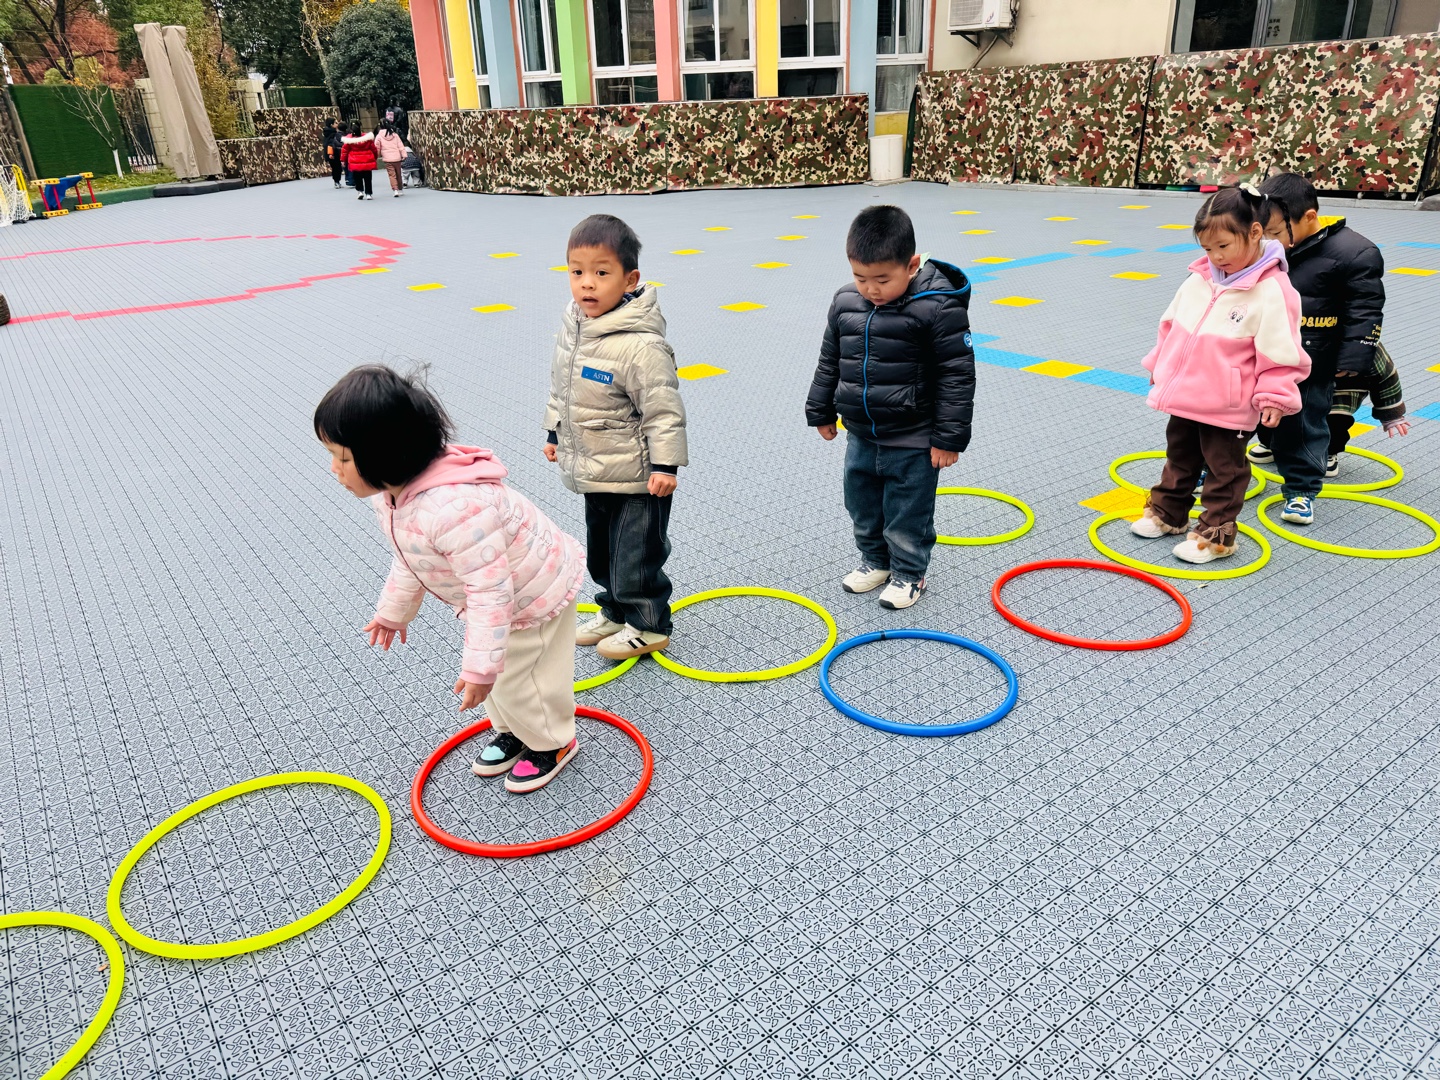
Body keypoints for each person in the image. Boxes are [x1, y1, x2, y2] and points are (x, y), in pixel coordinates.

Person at [316, 365, 587, 793]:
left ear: (386, 454)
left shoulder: (453, 509)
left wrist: (480, 666)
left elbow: (491, 592)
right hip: (498, 594)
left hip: (532, 593)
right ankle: (516, 732)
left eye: (344, 458)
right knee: (497, 677)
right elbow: (411, 558)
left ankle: (553, 742)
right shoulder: (393, 496)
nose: (334, 468)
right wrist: (393, 611)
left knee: (521, 677)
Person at [804, 205, 975, 610]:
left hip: (914, 436)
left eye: (882, 279)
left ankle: (910, 573)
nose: (871, 290)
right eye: (860, 277)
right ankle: (876, 561)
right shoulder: (845, 301)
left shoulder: (938, 307)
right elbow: (830, 360)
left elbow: (956, 375)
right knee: (861, 502)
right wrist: (820, 410)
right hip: (861, 432)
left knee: (907, 510)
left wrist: (948, 438)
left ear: (912, 265)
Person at [1131, 186, 1311, 564]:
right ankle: (1168, 513)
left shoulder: (1272, 290)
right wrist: (1160, 366)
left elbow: (1281, 352)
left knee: (1224, 469)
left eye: (1224, 246)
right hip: (1186, 394)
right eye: (1207, 248)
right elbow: (1171, 327)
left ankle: (1215, 535)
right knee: (1179, 456)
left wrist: (1275, 396)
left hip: (1230, 404)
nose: (1215, 257)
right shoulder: (1199, 278)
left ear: (1255, 232)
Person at [544, 214, 687, 661]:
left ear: (630, 280)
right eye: (577, 271)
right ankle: (614, 611)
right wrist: (554, 432)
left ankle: (648, 624)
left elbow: (663, 409)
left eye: (601, 273)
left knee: (635, 556)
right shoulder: (574, 327)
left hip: (640, 478)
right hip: (596, 468)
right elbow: (563, 389)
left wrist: (665, 465)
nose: (587, 283)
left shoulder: (641, 345)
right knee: (602, 552)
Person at [1253, 172, 1390, 506]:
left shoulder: (1356, 252)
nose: (1269, 241)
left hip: (1317, 356)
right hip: (1272, 351)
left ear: (1310, 217)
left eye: (1275, 232)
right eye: (1265, 233)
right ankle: (1266, 445)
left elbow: (1365, 310)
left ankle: (1304, 485)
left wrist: (1352, 359)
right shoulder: (1273, 248)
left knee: (1308, 421)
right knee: (1258, 409)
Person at [1329, 342, 1409, 455]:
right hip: (1308, 384)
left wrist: (1391, 415)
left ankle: (1328, 452)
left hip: (1344, 390)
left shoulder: (1366, 345)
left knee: (1335, 422)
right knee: (1306, 419)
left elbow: (1385, 378)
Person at [340, 121, 376, 200]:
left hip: (354, 161)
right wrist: (374, 157)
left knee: (357, 178)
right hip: (367, 160)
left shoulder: (349, 140)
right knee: (368, 178)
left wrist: (343, 160)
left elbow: (344, 150)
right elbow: (373, 148)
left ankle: (360, 191)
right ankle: (368, 193)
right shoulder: (367, 138)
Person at [374, 120, 406, 197]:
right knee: (398, 174)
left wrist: (377, 156)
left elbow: (377, 147)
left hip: (387, 159)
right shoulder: (395, 135)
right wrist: (404, 155)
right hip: (397, 158)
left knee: (392, 175)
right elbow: (400, 145)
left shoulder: (379, 136)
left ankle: (395, 190)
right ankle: (400, 189)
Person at [322, 118, 345, 188]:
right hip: (333, 153)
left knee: (336, 167)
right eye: (335, 123)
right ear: (331, 125)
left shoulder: (329, 133)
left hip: (333, 153)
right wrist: (331, 153)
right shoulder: (332, 133)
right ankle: (336, 181)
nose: (337, 124)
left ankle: (337, 181)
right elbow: (330, 144)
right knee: (336, 168)